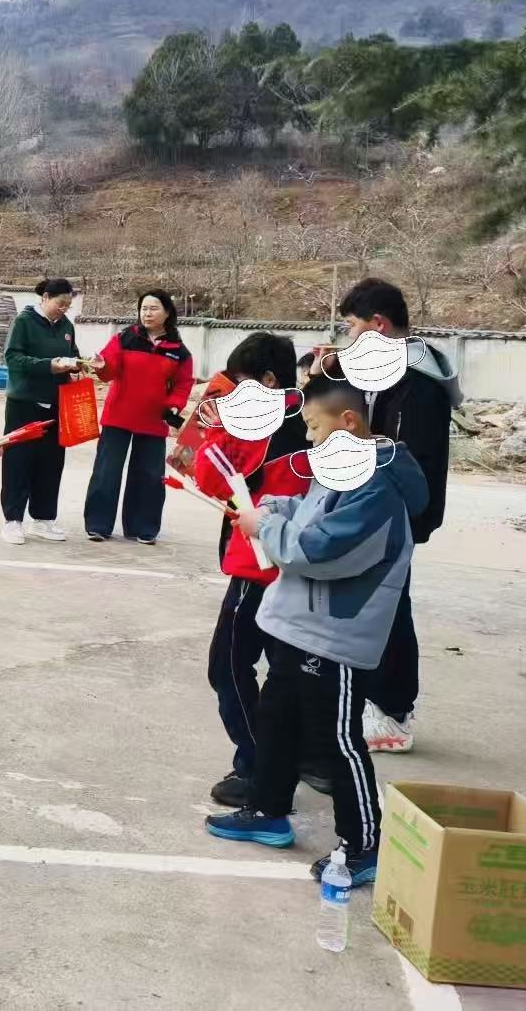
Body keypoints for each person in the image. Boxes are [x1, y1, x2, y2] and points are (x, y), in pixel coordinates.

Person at [205, 374, 428, 887]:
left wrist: (265, 527)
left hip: (335, 634)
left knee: (335, 740)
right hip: (299, 623)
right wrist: (272, 508)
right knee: (277, 718)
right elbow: (310, 512)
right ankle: (269, 810)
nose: (308, 437)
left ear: (347, 421)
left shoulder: (377, 484)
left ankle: (364, 844)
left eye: (313, 426)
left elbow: (319, 549)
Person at [333, 278, 460, 755]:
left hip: (396, 511)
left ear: (378, 325)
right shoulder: (390, 372)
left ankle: (393, 710)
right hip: (376, 507)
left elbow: (405, 457)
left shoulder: (416, 383)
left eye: (352, 327)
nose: (348, 337)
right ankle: (376, 700)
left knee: (389, 605)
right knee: (376, 603)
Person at [193, 332, 310, 809]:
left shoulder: (258, 424)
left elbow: (209, 476)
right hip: (297, 566)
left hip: (259, 566)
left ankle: (260, 766)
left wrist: (215, 430)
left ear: (267, 381)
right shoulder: (308, 417)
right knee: (285, 675)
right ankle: (287, 761)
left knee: (228, 666)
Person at [82, 289, 194, 544]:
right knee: (106, 472)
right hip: (118, 416)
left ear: (167, 313)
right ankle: (98, 525)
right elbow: (108, 370)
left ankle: (142, 528)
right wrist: (101, 366)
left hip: (154, 419)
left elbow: (183, 384)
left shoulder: (179, 351)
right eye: (144, 308)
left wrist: (174, 406)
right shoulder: (125, 338)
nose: (147, 313)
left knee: (149, 475)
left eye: (153, 308)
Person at [0, 279, 80, 546]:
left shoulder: (66, 326)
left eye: (68, 305)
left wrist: (80, 364)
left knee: (51, 462)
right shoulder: (24, 322)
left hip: (56, 402)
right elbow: (12, 357)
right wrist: (49, 366)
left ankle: (43, 519)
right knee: (19, 460)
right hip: (24, 402)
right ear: (45, 297)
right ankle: (13, 520)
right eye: (60, 303)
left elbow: (73, 353)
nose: (63, 309)